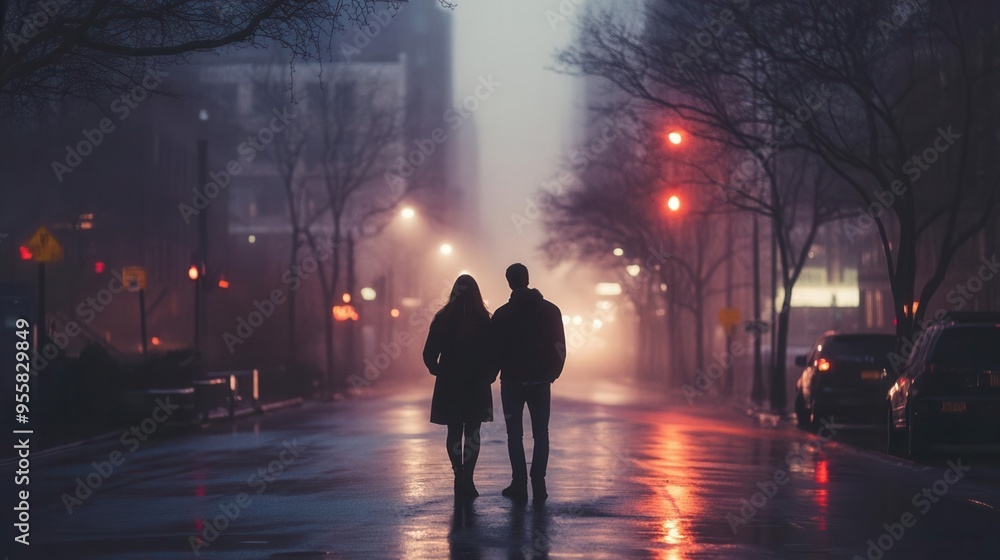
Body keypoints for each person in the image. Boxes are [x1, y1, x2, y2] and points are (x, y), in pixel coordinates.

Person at [491, 263, 566, 501]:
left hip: (512, 382)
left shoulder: (502, 315)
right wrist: (553, 373)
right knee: (541, 433)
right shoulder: (551, 311)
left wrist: (492, 374)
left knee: (515, 435)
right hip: (541, 382)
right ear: (528, 279)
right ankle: (539, 484)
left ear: (510, 282)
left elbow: (495, 351)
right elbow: (560, 347)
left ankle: (519, 483)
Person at [423, 274, 497, 499]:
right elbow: (494, 354)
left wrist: (438, 371)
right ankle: (469, 479)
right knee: (473, 432)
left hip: (450, 384)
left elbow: (428, 354)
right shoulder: (485, 319)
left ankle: (458, 474)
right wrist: (490, 375)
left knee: (454, 431)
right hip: (476, 383)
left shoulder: (443, 318)